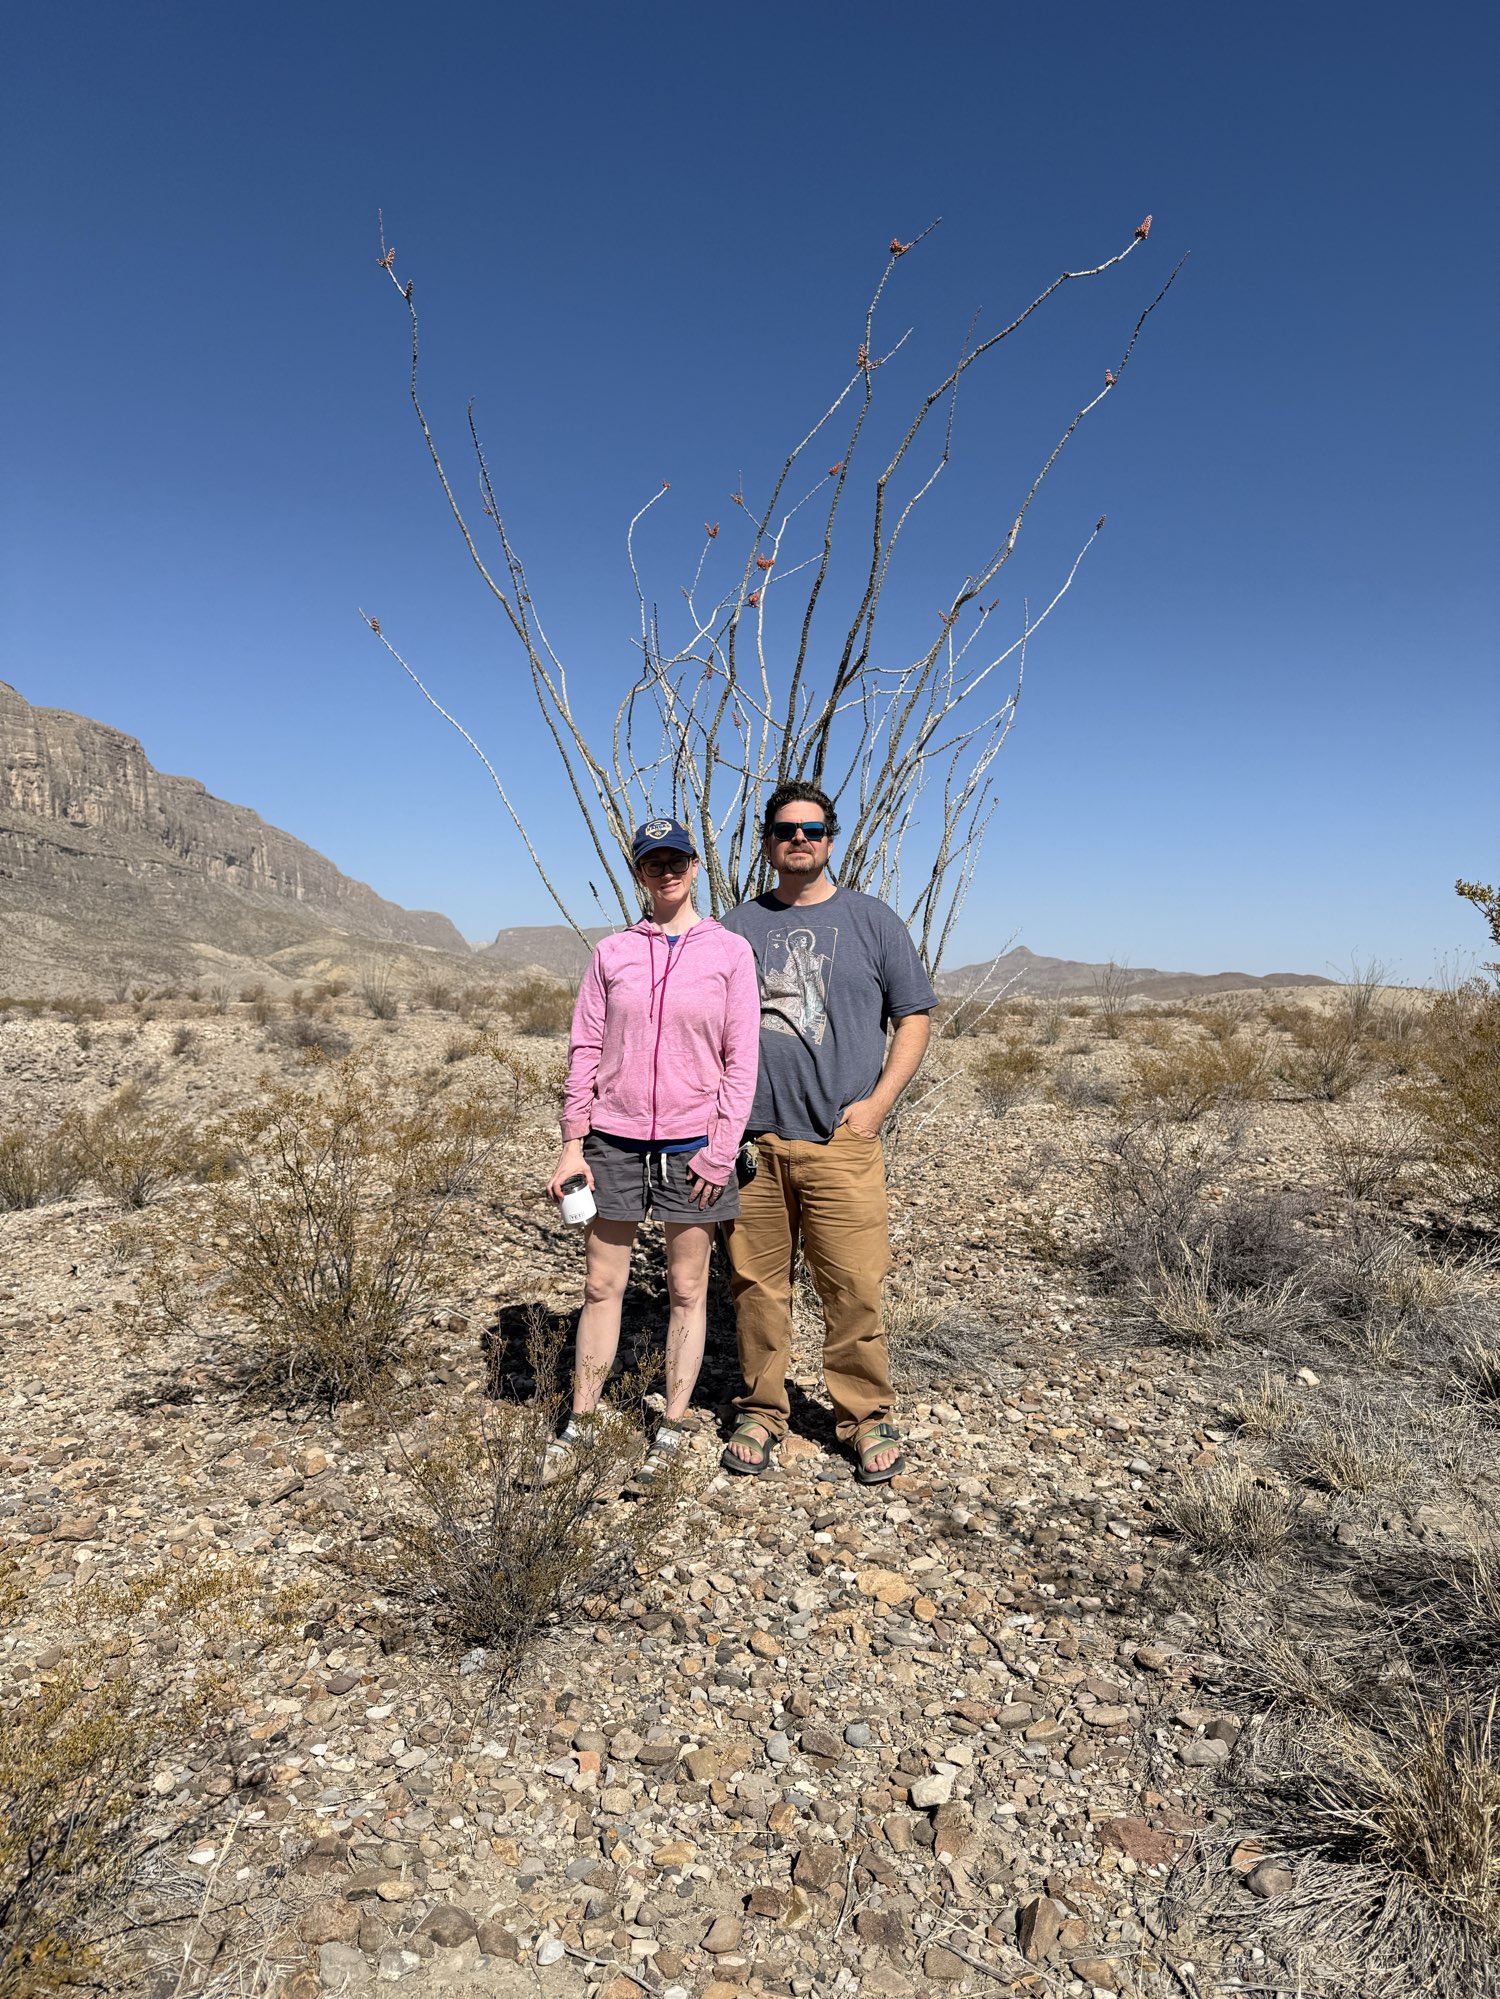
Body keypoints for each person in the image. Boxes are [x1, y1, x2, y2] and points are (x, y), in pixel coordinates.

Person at [720, 784, 935, 1483]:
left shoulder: (872, 921)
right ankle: (761, 1410)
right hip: (754, 1145)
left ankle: (865, 1416)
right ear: (766, 840)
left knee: (853, 1286)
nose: (799, 840)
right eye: (786, 829)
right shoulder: (736, 926)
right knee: (756, 1286)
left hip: (842, 1140)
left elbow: (914, 1016)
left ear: (830, 839)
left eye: (812, 829)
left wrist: (877, 1104)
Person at [545, 816, 761, 1487]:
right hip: (613, 1141)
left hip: (694, 1146)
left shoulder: (730, 952)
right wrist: (572, 1145)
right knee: (600, 1285)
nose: (666, 871)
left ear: (695, 867)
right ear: (639, 872)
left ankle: (670, 1423)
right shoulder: (612, 954)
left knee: (688, 1289)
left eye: (676, 860)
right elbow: (585, 1048)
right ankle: (581, 1420)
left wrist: (720, 1151)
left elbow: (741, 1060)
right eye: (652, 862)